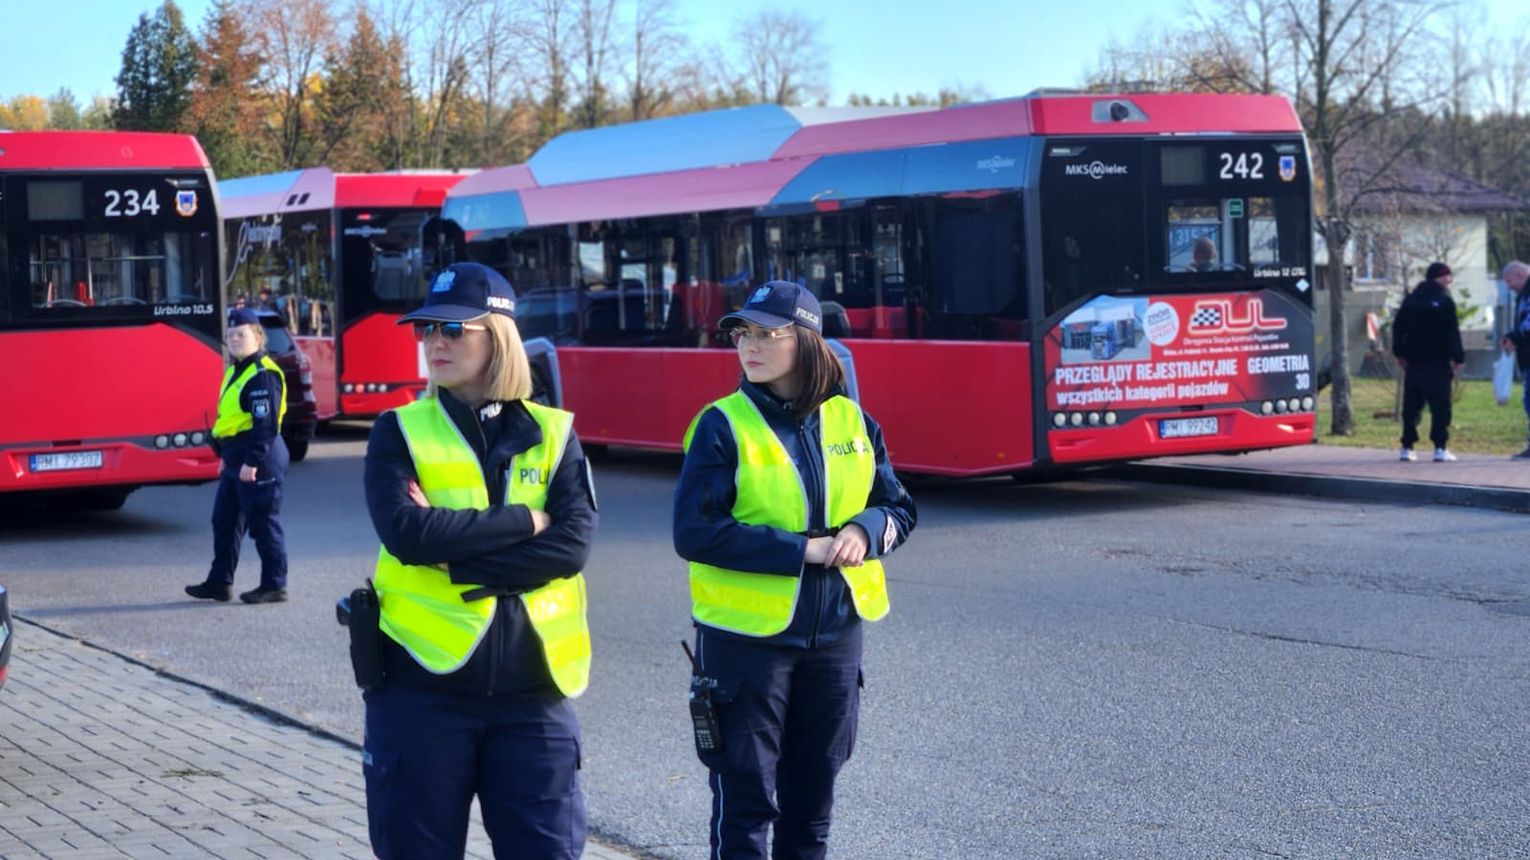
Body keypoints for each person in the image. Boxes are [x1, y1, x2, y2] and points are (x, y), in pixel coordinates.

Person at [360, 262, 597, 859]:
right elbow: (409, 535)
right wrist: (525, 521)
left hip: (534, 695)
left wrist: (458, 565)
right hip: (421, 691)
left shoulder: (555, 433)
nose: (434, 343)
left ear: (498, 337)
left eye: (453, 330)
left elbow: (571, 546)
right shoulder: (398, 431)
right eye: (426, 329)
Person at [673, 280, 916, 860]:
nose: (748, 346)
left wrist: (865, 530)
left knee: (812, 805)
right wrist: (798, 550)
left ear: (805, 341)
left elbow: (899, 509)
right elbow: (694, 532)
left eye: (766, 334)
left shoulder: (852, 421)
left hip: (834, 639)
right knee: (746, 806)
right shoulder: (721, 425)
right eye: (741, 334)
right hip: (745, 644)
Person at [186, 308, 290, 604]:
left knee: (262, 524)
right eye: (230, 334)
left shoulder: (263, 375)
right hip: (236, 457)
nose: (234, 339)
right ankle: (220, 582)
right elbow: (230, 418)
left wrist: (252, 461)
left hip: (258, 458)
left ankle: (274, 585)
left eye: (241, 334)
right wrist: (224, 454)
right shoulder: (236, 371)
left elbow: (265, 425)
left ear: (257, 336)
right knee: (225, 521)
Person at [1391, 261, 1465, 462]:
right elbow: (1452, 331)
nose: (1450, 280)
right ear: (1439, 277)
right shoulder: (1444, 301)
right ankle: (1440, 448)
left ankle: (1407, 447)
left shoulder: (1411, 299)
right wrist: (1458, 356)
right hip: (1438, 361)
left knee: (1412, 406)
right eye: (1447, 276)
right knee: (1440, 406)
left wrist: (1399, 353)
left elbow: (1398, 328)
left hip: (1414, 360)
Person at [1500, 260, 1530, 458]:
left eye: (1509, 281)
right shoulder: (1524, 294)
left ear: (1520, 275)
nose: (1509, 286)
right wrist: (1511, 336)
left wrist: (1514, 337)